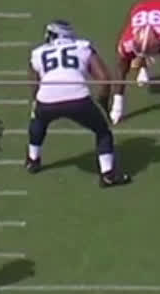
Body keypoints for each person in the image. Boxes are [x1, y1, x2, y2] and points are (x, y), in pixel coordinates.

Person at [24, 20, 131, 187]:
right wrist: (102, 103)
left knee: (37, 120)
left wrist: (36, 103)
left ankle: (33, 160)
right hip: (78, 98)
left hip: (47, 98)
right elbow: (103, 79)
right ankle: (108, 174)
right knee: (102, 131)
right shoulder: (82, 46)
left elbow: (35, 86)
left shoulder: (38, 53)